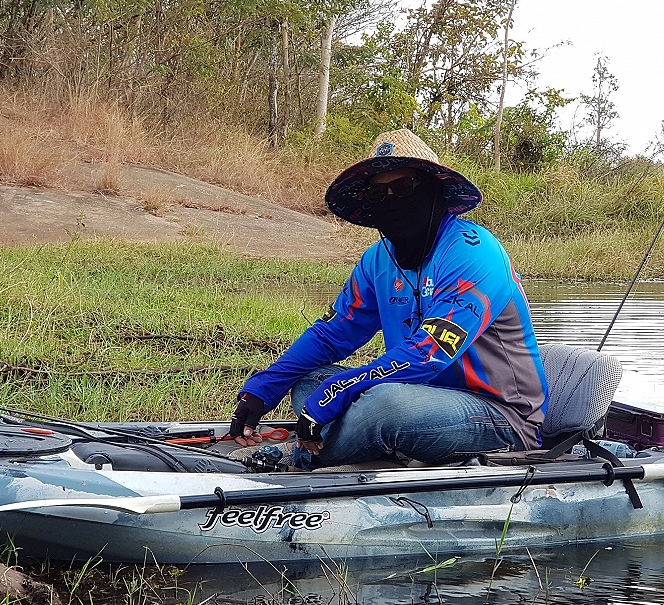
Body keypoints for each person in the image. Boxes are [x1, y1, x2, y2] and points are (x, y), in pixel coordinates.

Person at [228, 128, 548, 469]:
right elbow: (331, 334)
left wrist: (339, 391)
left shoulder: (474, 253)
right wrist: (264, 387)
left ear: (434, 190)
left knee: (385, 405)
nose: (392, 199)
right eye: (379, 193)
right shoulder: (378, 260)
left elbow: (428, 355)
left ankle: (295, 459)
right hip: (412, 393)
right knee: (309, 380)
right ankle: (360, 440)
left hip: (498, 414)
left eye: (404, 187)